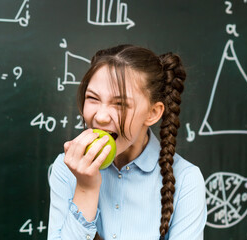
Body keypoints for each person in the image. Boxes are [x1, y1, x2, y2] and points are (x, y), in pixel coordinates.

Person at [48, 44, 207, 240]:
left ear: (153, 113)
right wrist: (85, 188)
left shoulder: (186, 180)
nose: (102, 117)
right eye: (93, 98)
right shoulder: (66, 169)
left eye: (120, 104)